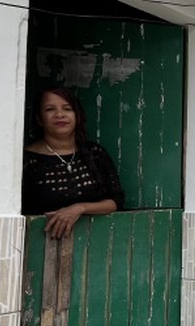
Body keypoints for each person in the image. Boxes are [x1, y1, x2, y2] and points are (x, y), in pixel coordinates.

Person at [22, 87, 124, 238]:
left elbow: (116, 201)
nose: (60, 115)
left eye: (67, 109)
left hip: (96, 243)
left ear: (77, 115)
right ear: (39, 119)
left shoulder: (94, 153)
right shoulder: (26, 160)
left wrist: (79, 208)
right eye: (50, 109)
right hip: (40, 245)